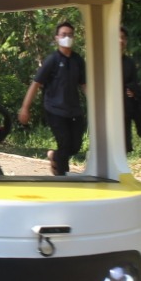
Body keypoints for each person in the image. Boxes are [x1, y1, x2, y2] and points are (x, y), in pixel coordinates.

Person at [18, 21, 86, 175]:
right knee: (65, 144)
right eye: (63, 34)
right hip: (54, 110)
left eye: (70, 35)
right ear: (57, 38)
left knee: (75, 146)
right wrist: (25, 108)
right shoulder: (52, 60)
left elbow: (84, 84)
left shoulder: (78, 60)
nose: (67, 37)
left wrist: (97, 106)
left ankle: (54, 156)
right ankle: (62, 178)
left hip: (74, 110)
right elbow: (35, 84)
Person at [121, 26, 141, 154]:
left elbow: (135, 83)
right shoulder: (105, 60)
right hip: (108, 111)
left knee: (123, 144)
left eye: (123, 38)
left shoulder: (129, 63)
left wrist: (132, 91)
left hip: (125, 109)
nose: (120, 41)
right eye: (117, 37)